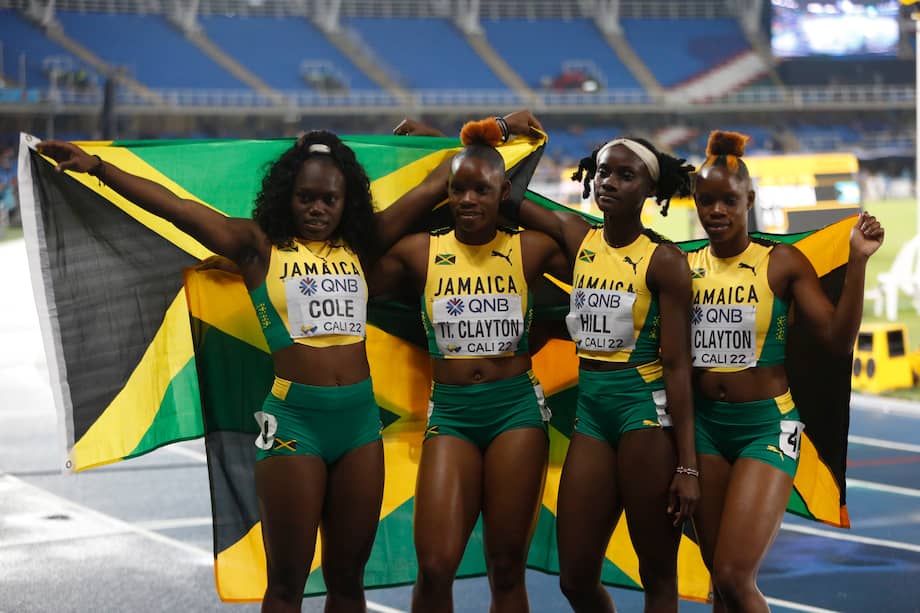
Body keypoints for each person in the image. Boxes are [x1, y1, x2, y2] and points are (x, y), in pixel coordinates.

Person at [37, 133, 451, 613]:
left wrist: (498, 133)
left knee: (347, 584)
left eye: (329, 199)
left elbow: (436, 184)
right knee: (285, 586)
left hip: (360, 426)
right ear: (285, 197)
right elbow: (178, 208)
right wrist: (98, 168)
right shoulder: (257, 246)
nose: (317, 208)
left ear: (347, 202)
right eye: (306, 197)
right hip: (296, 426)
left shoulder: (360, 245)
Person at [378, 113, 568, 613]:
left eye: (481, 190)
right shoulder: (419, 253)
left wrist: (507, 165)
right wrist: (429, 181)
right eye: (457, 189)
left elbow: (598, 258)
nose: (467, 200)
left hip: (516, 415)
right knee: (436, 567)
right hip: (453, 417)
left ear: (503, 192)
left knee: (506, 570)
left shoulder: (530, 250)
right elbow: (364, 250)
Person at [688, 131, 884, 613]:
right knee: (719, 578)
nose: (717, 211)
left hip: (765, 429)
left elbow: (837, 342)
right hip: (705, 431)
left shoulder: (779, 263)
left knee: (735, 577)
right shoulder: (684, 266)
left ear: (749, 200)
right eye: (706, 201)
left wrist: (857, 262)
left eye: (728, 201)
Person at [511, 137, 699, 612]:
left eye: (624, 175)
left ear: (649, 188)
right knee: (574, 577)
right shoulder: (578, 236)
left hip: (644, 413)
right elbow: (506, 193)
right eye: (602, 172)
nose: (608, 182)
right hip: (592, 413)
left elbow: (679, 367)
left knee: (657, 576)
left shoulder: (666, 262)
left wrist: (688, 465)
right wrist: (442, 142)